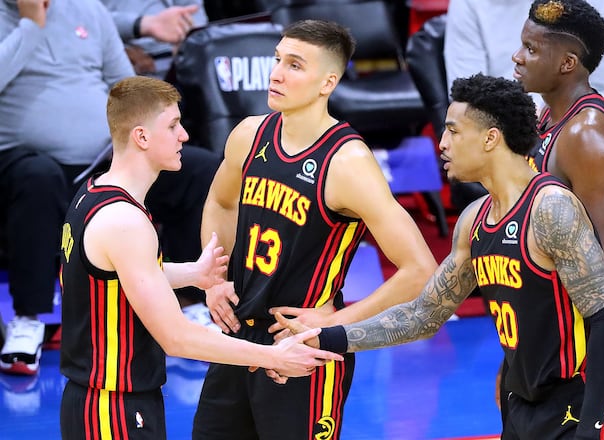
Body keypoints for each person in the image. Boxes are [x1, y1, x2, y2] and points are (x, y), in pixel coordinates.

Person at [281, 73, 604, 439]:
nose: (442, 144)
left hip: (579, 404)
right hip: (522, 401)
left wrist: (592, 423)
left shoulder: (551, 208)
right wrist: (327, 338)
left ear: (490, 138)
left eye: (453, 131)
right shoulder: (475, 220)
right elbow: (423, 316)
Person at [58, 76, 343, 439]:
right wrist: (272, 356)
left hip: (99, 401)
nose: (184, 136)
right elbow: (176, 338)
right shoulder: (126, 222)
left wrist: (192, 273)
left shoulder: (93, 191)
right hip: (111, 409)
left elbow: (114, 276)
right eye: (173, 126)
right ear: (142, 137)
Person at [193, 19, 437, 439]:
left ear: (328, 82)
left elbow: (419, 268)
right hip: (237, 340)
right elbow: (221, 201)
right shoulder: (249, 135)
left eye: (294, 64)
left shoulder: (347, 163)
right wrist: (213, 280)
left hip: (303, 349)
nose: (276, 73)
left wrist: (336, 324)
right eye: (276, 60)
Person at [0, 0, 220, 376]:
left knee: (199, 170)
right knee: (37, 178)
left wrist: (162, 124)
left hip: (107, 156)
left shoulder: (88, 9)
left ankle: (188, 300)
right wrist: (31, 25)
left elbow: (127, 88)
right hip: (25, 159)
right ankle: (29, 318)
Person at [445, 0, 604, 308]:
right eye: (523, 46)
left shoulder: (584, 133)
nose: (516, 57)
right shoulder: (471, 6)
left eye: (529, 49)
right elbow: (468, 102)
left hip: (575, 328)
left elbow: (595, 82)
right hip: (511, 124)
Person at [101, 0, 207, 78]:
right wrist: (119, 48)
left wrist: (188, 43)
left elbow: (193, 9)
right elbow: (89, 20)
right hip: (126, 55)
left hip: (177, 53)